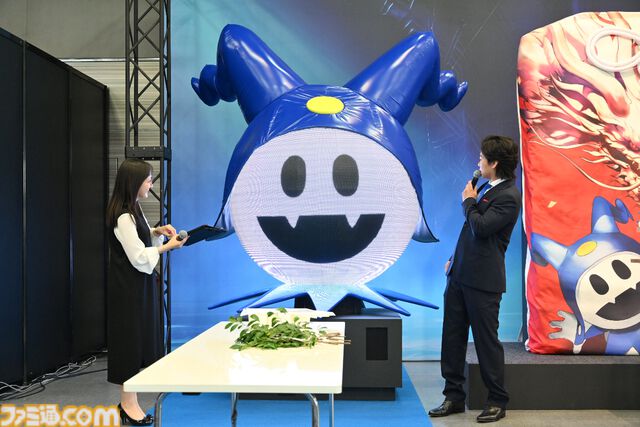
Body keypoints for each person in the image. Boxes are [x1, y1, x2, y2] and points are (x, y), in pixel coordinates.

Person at [429, 135, 520, 423]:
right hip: (459, 275)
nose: (478, 161)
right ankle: (453, 396)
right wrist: (454, 259)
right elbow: (469, 231)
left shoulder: (509, 196)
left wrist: (468, 201)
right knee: (452, 337)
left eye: (482, 158)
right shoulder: (486, 187)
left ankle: (497, 401)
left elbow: (481, 227)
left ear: (494, 163)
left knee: (486, 341)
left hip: (483, 281)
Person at [105, 158, 187, 426]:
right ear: (134, 183)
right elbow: (138, 256)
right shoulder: (123, 216)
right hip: (128, 290)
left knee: (138, 340)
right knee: (129, 344)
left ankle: (130, 403)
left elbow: (139, 238)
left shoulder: (133, 210)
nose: (151, 185)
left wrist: (156, 231)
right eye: (148, 180)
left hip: (138, 287)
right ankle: (128, 404)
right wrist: (167, 246)